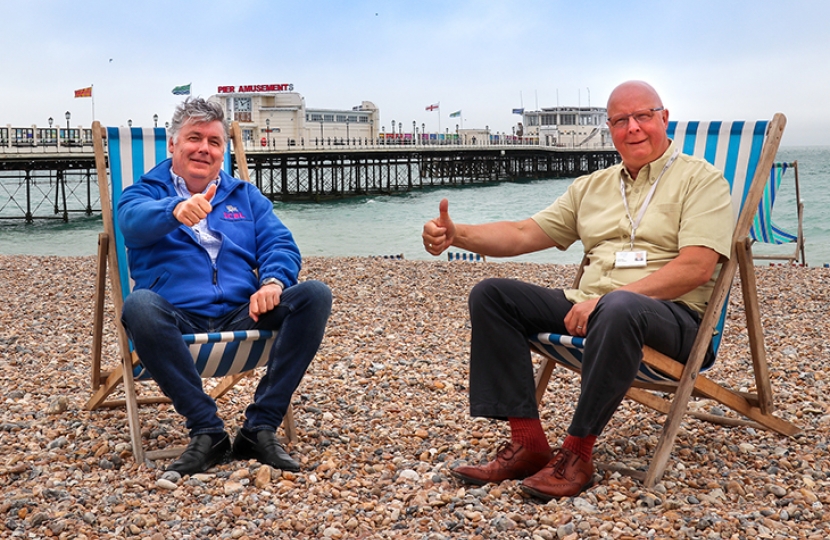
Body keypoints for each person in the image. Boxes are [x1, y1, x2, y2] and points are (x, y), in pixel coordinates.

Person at [421, 81, 733, 500]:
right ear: (610, 128)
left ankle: (577, 453)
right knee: (492, 295)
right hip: (592, 308)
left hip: (672, 318)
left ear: (664, 117)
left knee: (622, 306)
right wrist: (457, 234)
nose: (633, 128)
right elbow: (520, 233)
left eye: (643, 116)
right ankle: (529, 444)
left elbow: (696, 268)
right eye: (621, 120)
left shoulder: (702, 180)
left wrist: (604, 301)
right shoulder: (592, 187)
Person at [119, 97, 332, 476]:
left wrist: (271, 281)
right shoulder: (143, 193)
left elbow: (279, 244)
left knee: (314, 295)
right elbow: (132, 223)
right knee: (138, 306)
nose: (204, 148)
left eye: (214, 142)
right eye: (194, 138)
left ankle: (259, 427)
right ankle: (207, 430)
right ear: (173, 145)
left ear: (223, 151)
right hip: (177, 320)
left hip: (242, 313)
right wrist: (175, 211)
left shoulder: (244, 196)